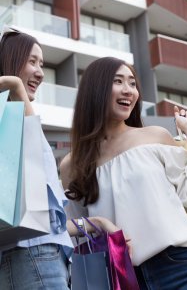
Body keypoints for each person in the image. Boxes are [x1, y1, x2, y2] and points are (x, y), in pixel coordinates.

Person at [60, 56, 187, 290]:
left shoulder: (154, 136)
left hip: (183, 266)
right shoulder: (72, 165)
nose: (129, 91)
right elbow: (78, 229)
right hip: (122, 277)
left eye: (133, 83)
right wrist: (100, 224)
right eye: (118, 82)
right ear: (96, 89)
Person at [0, 29, 126, 290]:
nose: (40, 73)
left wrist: (97, 223)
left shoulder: (12, 124)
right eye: (32, 61)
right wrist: (16, 88)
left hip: (29, 258)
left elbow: (44, 222)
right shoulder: (16, 125)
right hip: (36, 261)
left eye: (42, 64)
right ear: (10, 62)